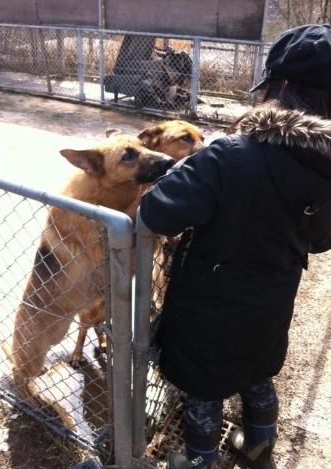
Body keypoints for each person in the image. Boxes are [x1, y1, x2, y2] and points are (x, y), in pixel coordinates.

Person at [140, 24, 331, 469]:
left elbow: (157, 213)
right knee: (259, 374)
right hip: (273, 300)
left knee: (205, 390)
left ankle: (199, 461)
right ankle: (258, 449)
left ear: (279, 87)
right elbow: (321, 241)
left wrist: (185, 170)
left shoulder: (230, 154)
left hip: (209, 303)